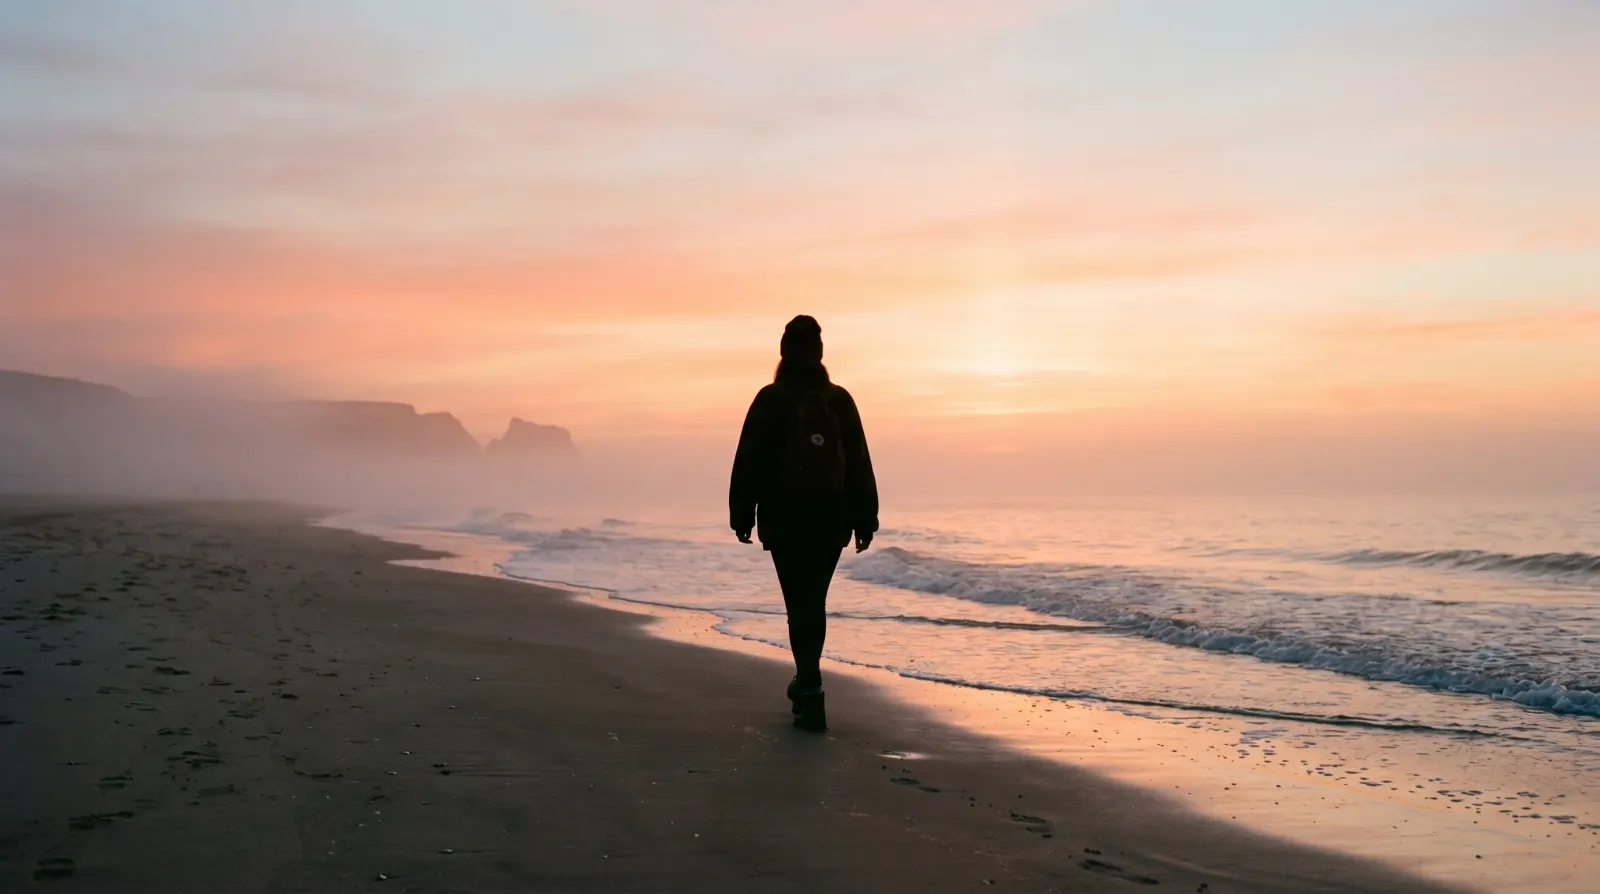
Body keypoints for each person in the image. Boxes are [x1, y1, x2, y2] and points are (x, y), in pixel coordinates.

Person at [729, 315, 879, 732]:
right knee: (815, 600)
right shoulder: (839, 400)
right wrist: (866, 518)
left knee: (800, 604)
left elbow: (749, 459)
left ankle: (809, 685)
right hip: (832, 519)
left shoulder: (770, 399)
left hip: (785, 519)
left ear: (783, 352)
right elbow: (859, 462)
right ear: (819, 353)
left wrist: (742, 512)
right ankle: (809, 686)